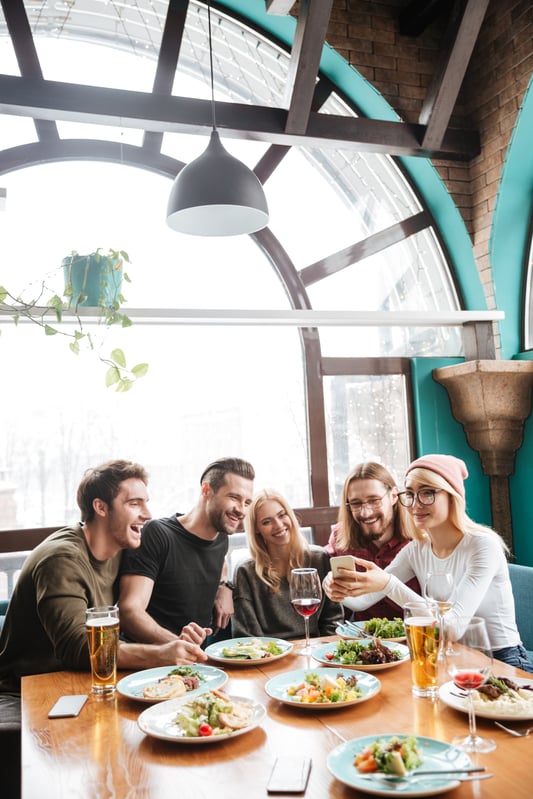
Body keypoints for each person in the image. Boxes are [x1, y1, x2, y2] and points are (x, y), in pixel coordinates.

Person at [0, 459, 208, 697]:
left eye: (146, 503)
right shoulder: (61, 559)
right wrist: (159, 655)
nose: (147, 514)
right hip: (24, 693)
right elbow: (78, 648)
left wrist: (224, 586)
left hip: (81, 682)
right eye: (134, 504)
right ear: (100, 507)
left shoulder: (122, 549)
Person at [323, 453, 533, 673]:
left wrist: (389, 584)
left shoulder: (483, 546)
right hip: (450, 657)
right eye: (411, 494)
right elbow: (364, 601)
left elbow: (452, 627)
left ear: (452, 495)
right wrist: (335, 587)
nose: (415, 504)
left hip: (502, 659)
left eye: (427, 493)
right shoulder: (417, 549)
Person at [118, 457, 255, 644]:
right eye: (234, 498)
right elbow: (129, 612)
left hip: (196, 660)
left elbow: (216, 561)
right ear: (206, 490)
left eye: (247, 502)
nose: (242, 510)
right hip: (151, 662)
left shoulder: (221, 538)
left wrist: (224, 587)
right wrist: (179, 646)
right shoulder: (158, 534)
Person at [232, 489, 344, 639]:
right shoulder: (246, 571)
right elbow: (247, 636)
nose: (278, 525)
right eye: (266, 522)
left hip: (315, 653)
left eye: (281, 515)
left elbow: (333, 622)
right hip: (270, 656)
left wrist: (320, 653)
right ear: (256, 530)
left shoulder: (319, 558)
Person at [325, 462, 420, 621]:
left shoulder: (418, 539)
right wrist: (328, 582)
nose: (366, 512)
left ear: (394, 496)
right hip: (362, 638)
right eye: (356, 503)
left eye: (374, 500)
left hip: (414, 636)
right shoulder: (340, 537)